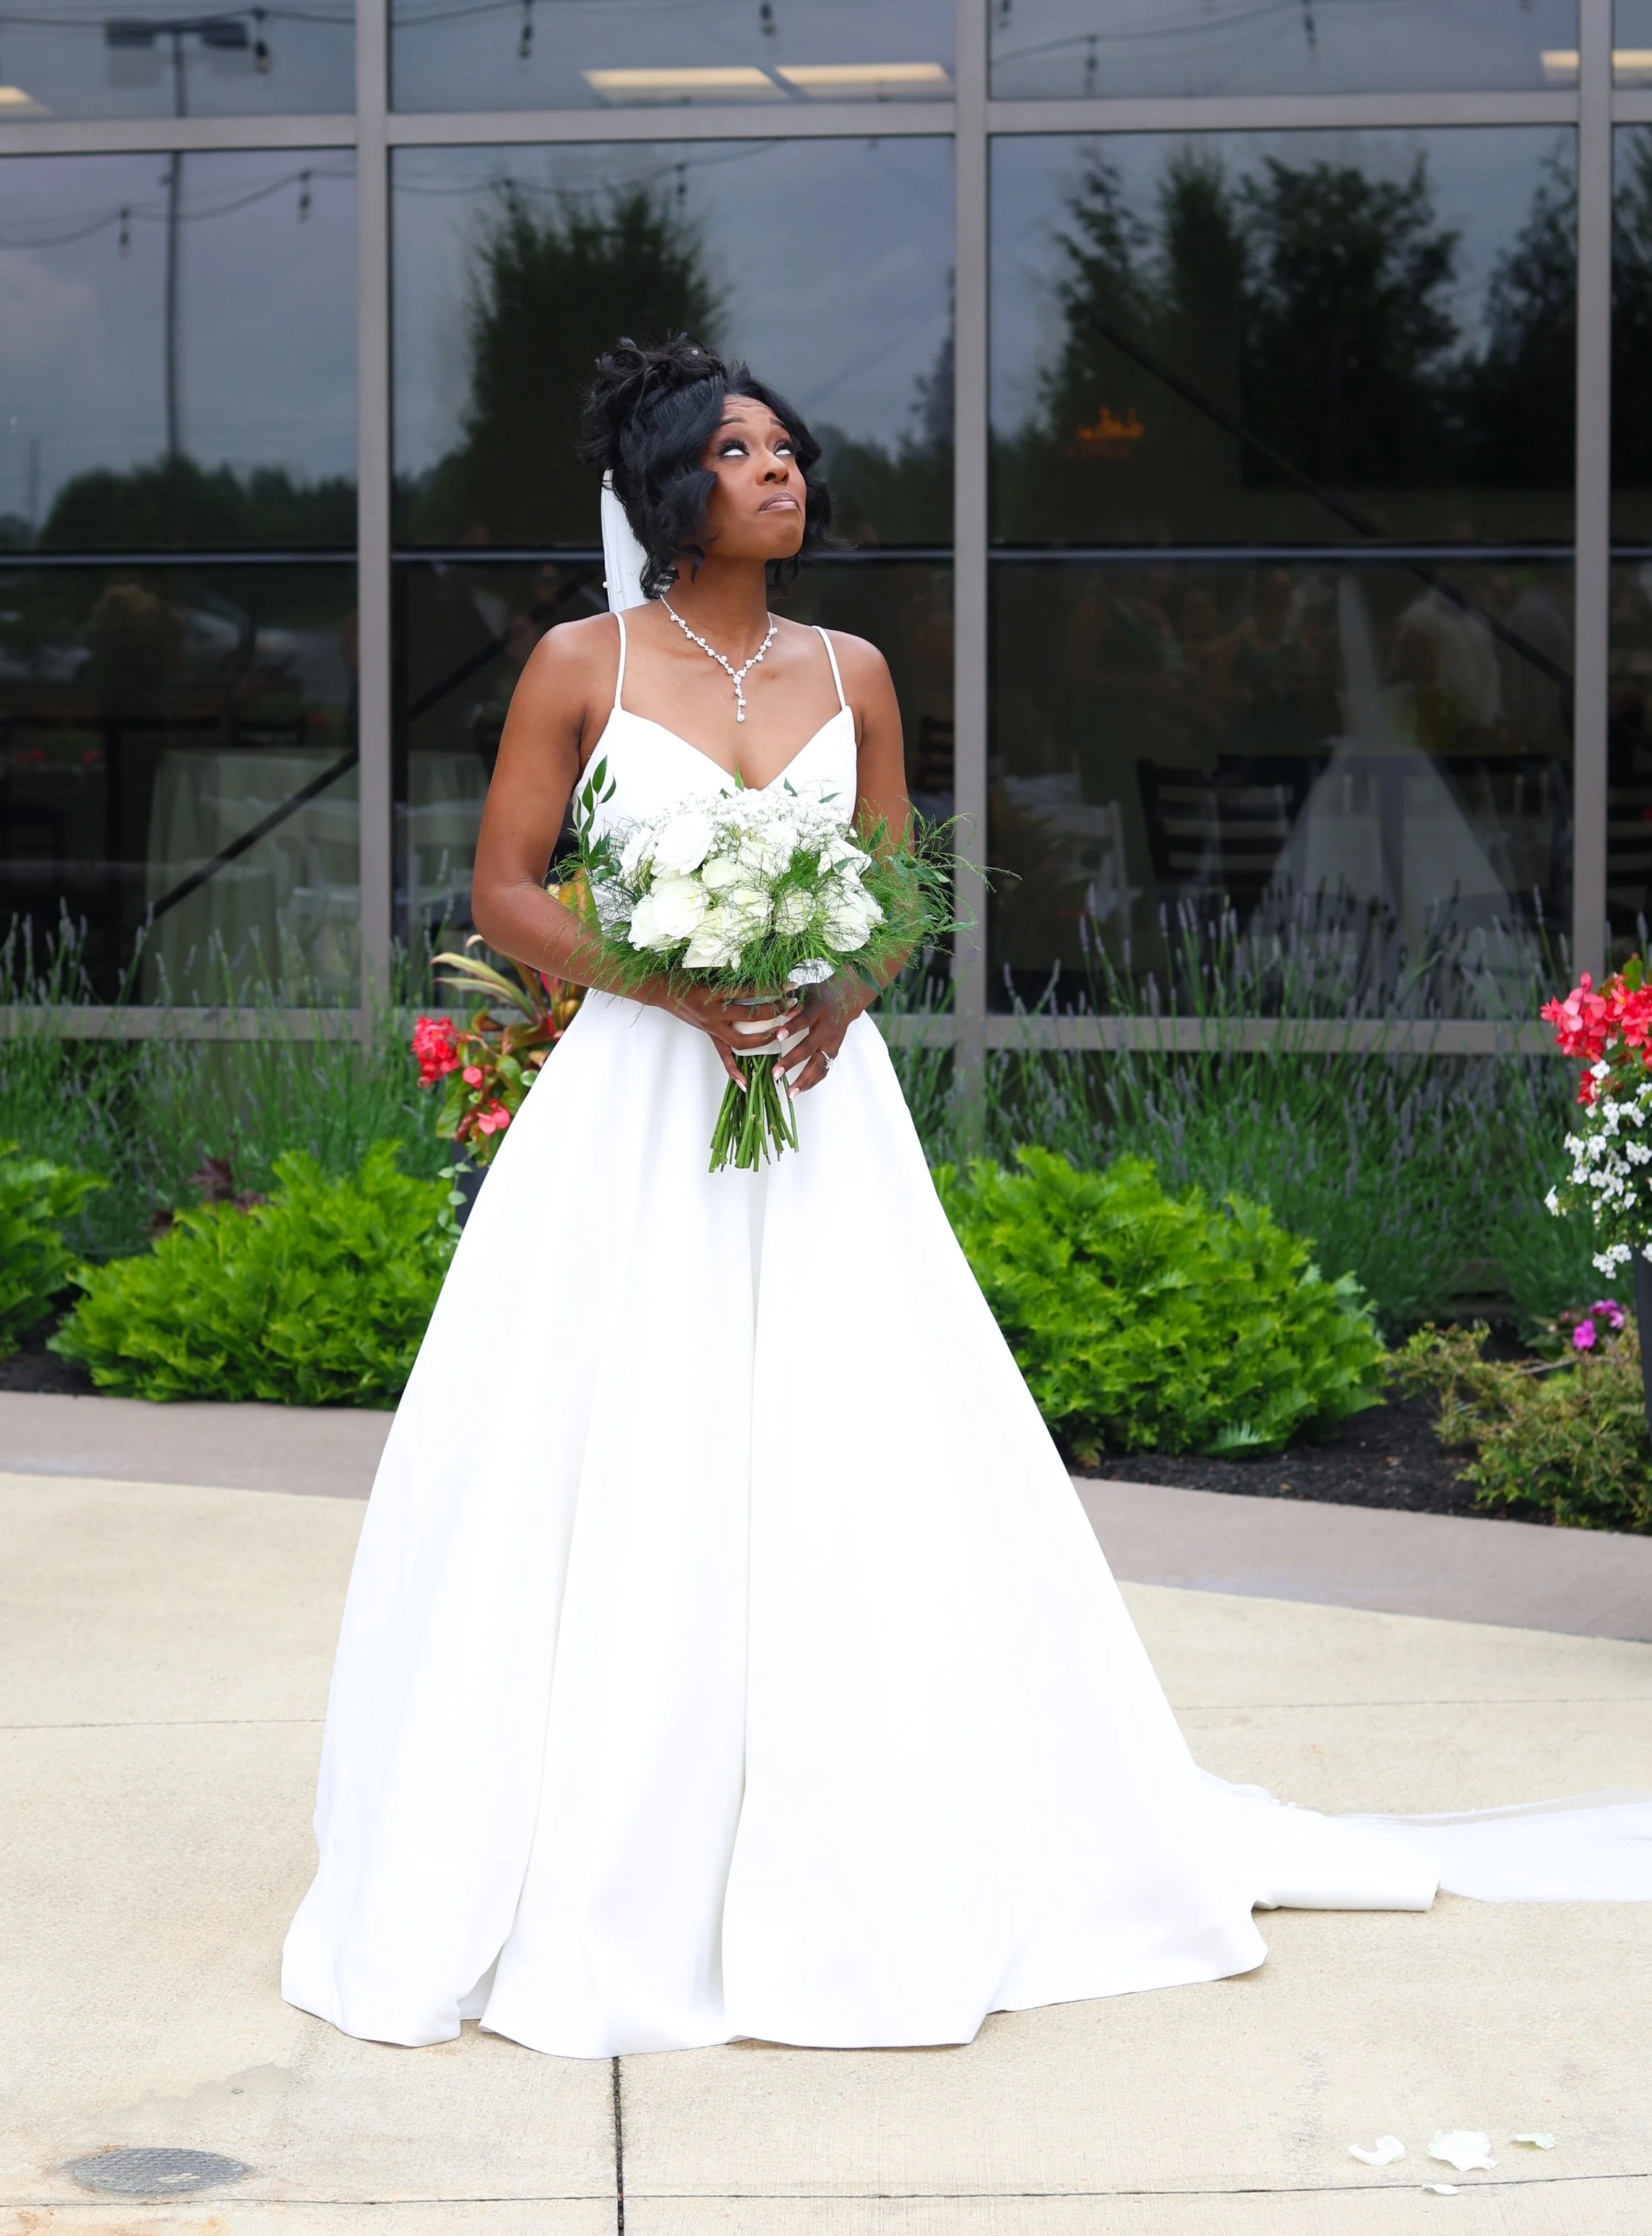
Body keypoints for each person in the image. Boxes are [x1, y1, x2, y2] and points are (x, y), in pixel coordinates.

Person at [282, 335, 1652, 2062]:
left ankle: (865, 1827)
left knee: (849, 1449)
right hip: (636, 1103)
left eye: (787, 443)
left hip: (814, 1103)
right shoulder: (581, 659)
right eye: (736, 449)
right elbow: (507, 889)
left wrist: (828, 993)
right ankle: (598, 1832)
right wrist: (680, 980)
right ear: (666, 489)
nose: (780, 469)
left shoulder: (851, 668)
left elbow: (893, 899)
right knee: (617, 1437)